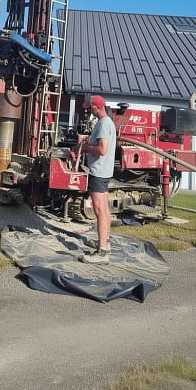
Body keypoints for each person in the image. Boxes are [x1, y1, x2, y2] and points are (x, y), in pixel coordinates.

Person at [77, 95, 116, 264]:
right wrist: (89, 140)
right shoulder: (107, 123)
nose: (88, 110)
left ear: (95, 107)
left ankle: (101, 253)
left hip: (98, 171)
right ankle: (105, 243)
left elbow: (102, 150)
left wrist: (86, 147)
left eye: (90, 107)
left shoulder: (103, 124)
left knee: (99, 211)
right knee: (105, 210)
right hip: (105, 171)